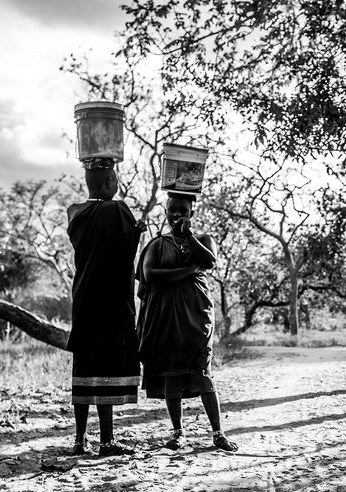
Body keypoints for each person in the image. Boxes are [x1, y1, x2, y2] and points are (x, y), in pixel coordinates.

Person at [136, 193, 237, 452]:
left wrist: (188, 236)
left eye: (182, 210)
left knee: (202, 372)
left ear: (191, 213)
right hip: (165, 318)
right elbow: (150, 274)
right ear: (166, 211)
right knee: (171, 375)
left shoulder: (203, 240)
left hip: (197, 316)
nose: (176, 214)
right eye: (172, 210)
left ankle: (218, 433)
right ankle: (179, 433)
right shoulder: (157, 244)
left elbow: (209, 261)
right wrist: (187, 271)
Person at [66, 157, 143, 456]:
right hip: (110, 302)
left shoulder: (75, 212)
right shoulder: (118, 209)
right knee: (107, 368)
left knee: (84, 369)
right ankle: (107, 441)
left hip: (84, 301)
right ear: (111, 183)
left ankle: (79, 440)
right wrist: (137, 232)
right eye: (116, 181)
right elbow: (124, 256)